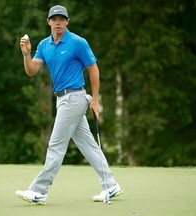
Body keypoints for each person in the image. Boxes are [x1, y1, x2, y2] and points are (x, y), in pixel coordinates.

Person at [15, 5, 122, 205]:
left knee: (55, 146)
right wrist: (26, 54)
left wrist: (96, 99)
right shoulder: (44, 45)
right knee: (88, 145)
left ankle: (39, 190)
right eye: (53, 19)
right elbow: (31, 71)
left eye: (61, 19)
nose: (57, 23)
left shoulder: (77, 42)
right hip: (62, 100)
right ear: (48, 22)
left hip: (74, 98)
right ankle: (111, 185)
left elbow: (94, 69)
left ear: (67, 22)